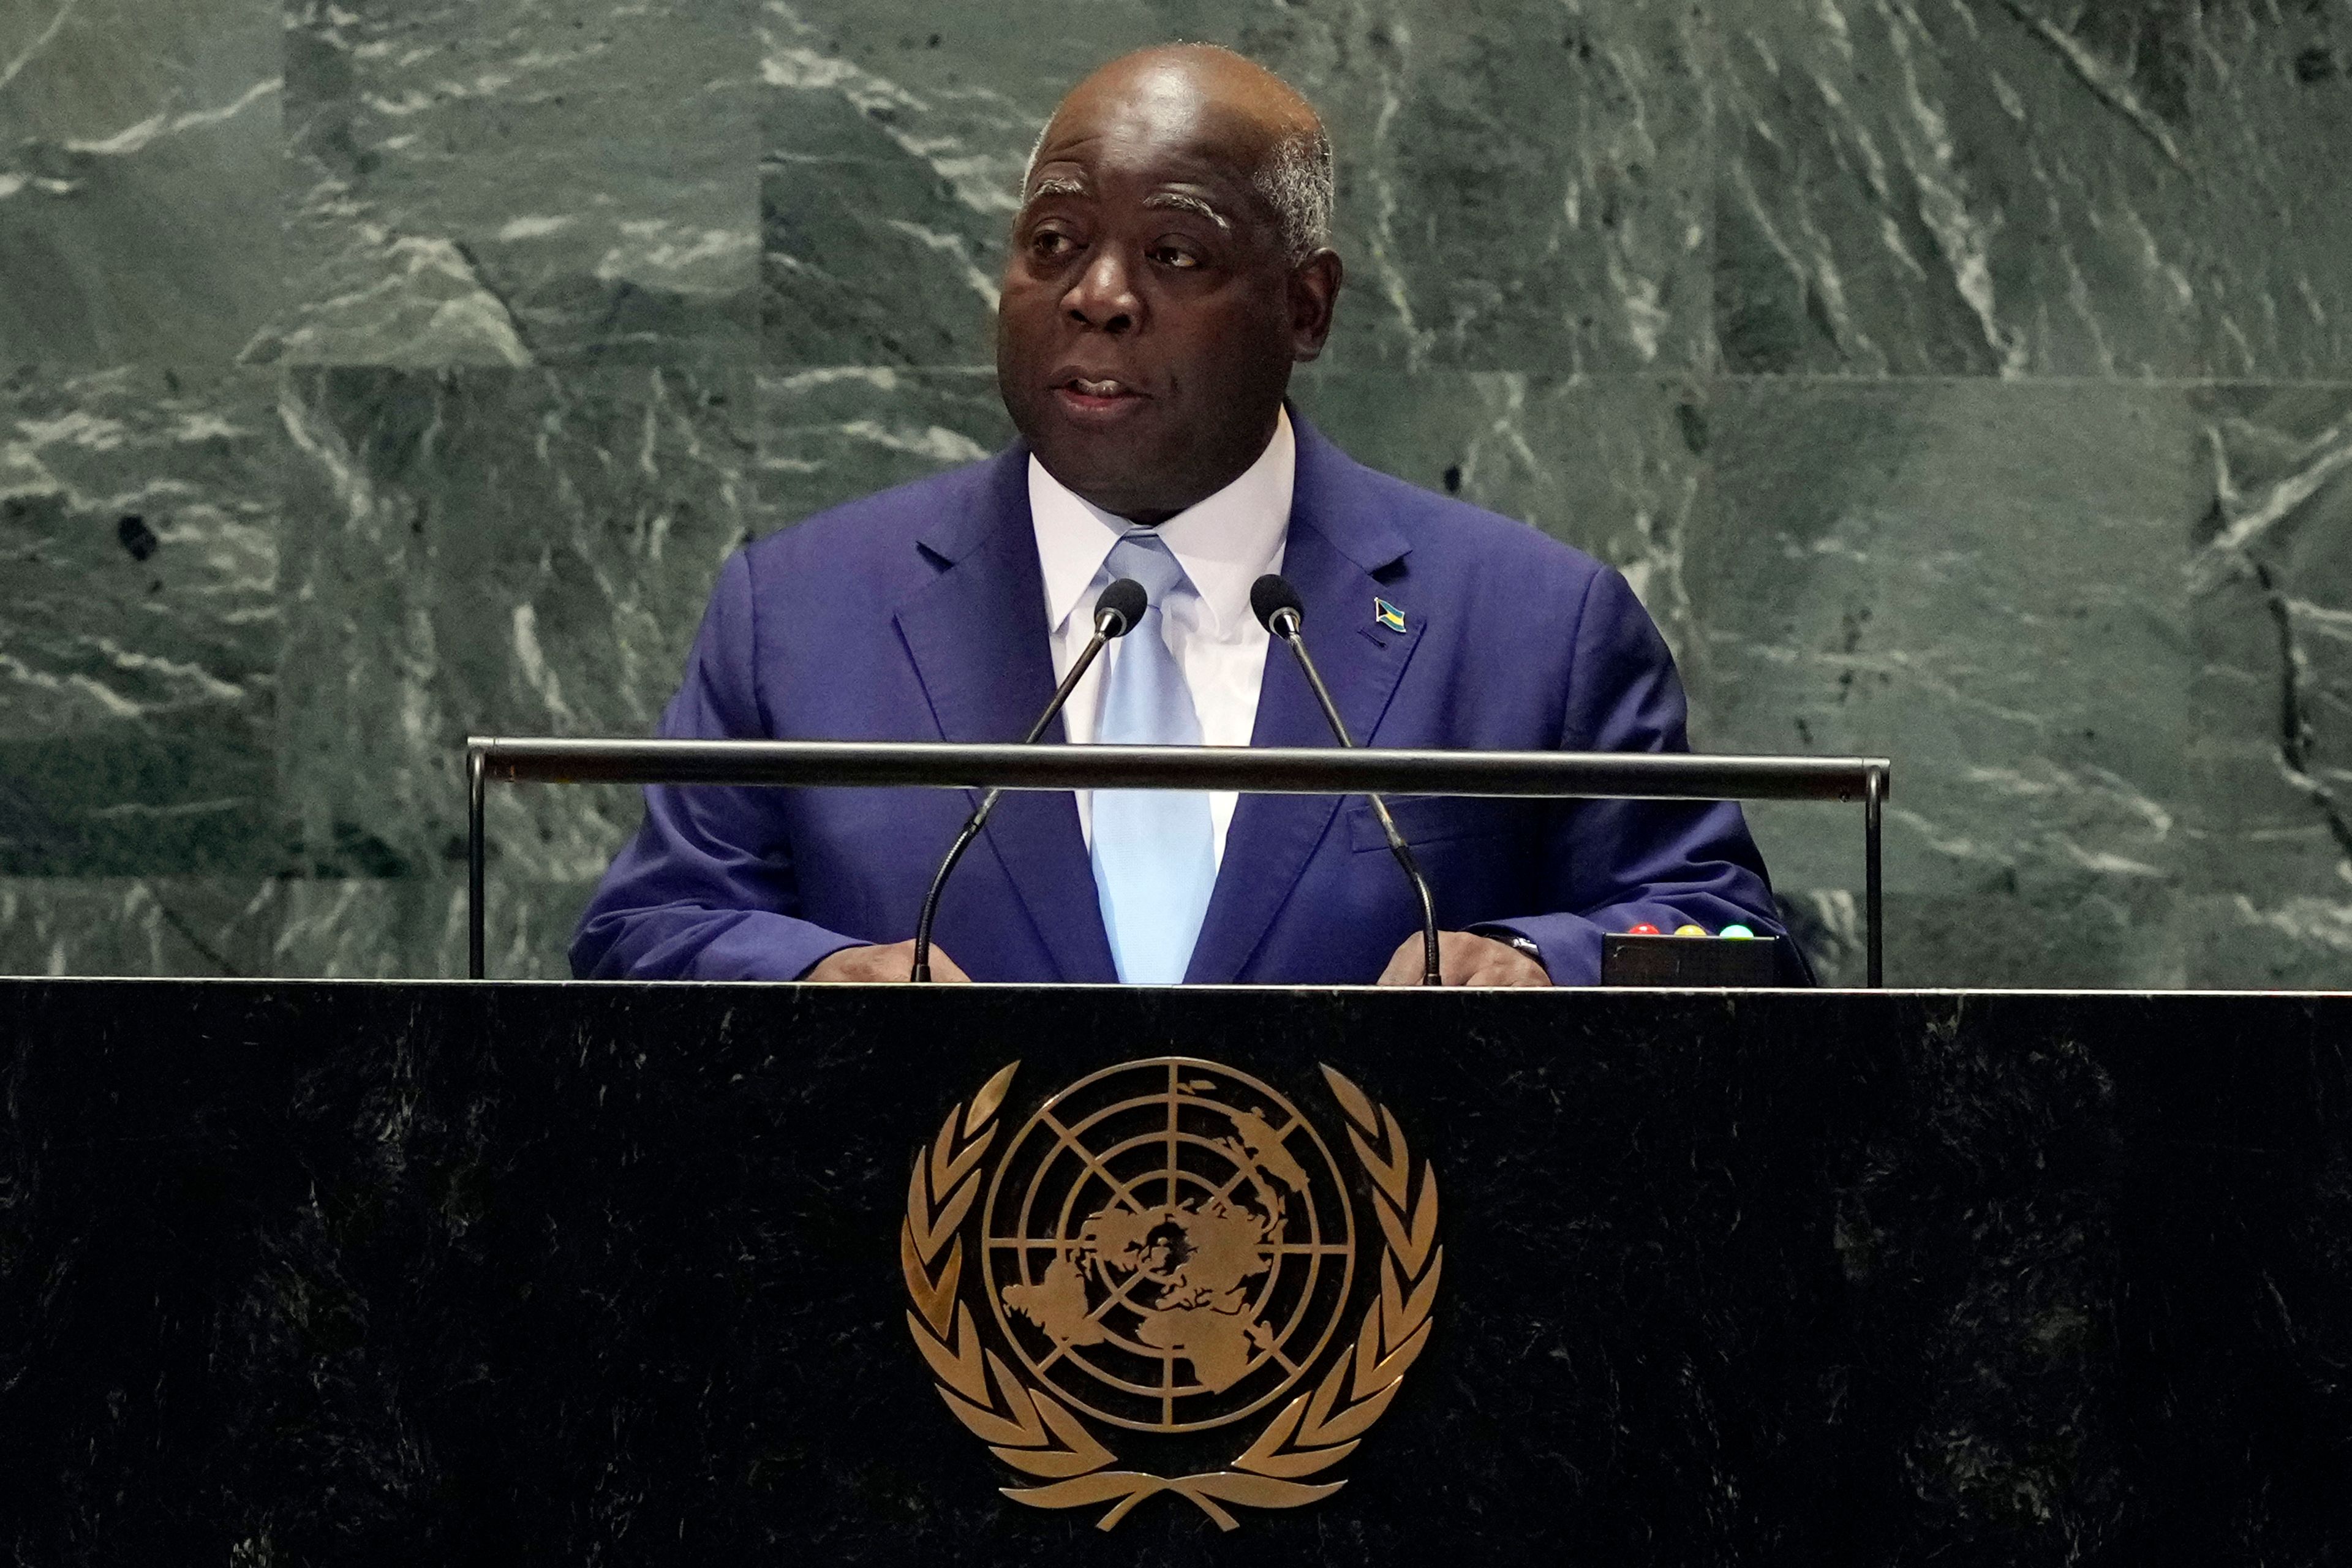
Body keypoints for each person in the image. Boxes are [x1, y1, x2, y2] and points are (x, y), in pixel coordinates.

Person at [571, 44, 1796, 987]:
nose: (1096, 296)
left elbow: (1736, 937)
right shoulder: (800, 612)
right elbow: (644, 931)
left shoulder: (1536, 624)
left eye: (1174, 255)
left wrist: (1542, 962)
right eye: (1053, 241)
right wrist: (811, 973)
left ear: (1305, 309)